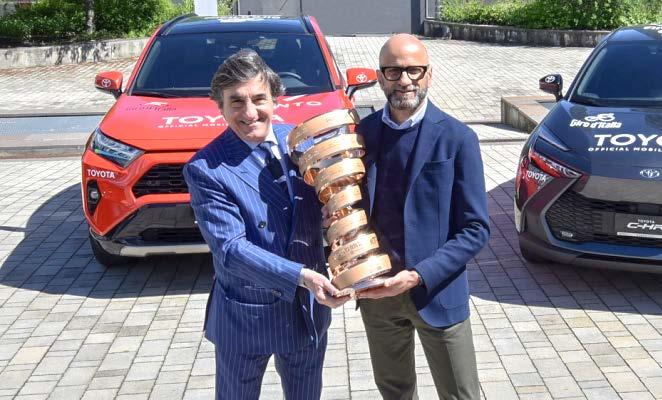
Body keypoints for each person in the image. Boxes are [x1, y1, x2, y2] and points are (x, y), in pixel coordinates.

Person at [183, 49, 349, 400]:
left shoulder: (302, 143)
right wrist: (302, 276)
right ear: (220, 107)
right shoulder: (206, 168)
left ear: (276, 98)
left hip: (307, 312)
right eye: (236, 102)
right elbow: (230, 250)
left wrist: (328, 216)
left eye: (259, 99)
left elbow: (317, 205)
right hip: (247, 317)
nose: (249, 113)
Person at [355, 34, 490, 399]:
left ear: (429, 74)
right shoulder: (363, 135)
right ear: (380, 77)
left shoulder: (458, 138)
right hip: (379, 295)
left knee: (461, 394)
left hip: (437, 293)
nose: (404, 80)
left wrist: (418, 276)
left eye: (414, 70)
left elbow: (476, 229)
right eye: (393, 71)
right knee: (395, 392)